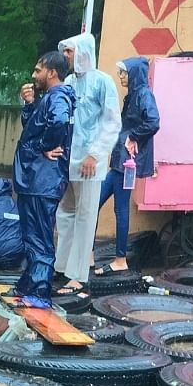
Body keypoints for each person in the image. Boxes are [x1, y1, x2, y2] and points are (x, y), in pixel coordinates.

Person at [54, 33, 120, 295]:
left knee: (85, 216)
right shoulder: (68, 82)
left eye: (69, 51)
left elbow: (112, 121)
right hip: (68, 160)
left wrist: (95, 154)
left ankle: (79, 275)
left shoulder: (103, 82)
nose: (65, 56)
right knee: (65, 213)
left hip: (91, 163)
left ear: (83, 51)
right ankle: (62, 266)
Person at [10, 52, 75, 309]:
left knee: (39, 237)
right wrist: (29, 105)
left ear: (51, 72)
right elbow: (34, 128)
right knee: (31, 235)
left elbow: (58, 122)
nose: (34, 75)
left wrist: (46, 146)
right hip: (34, 180)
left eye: (38, 70)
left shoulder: (58, 96)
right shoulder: (48, 98)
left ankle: (39, 293)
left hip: (43, 181)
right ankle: (28, 284)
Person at [95, 56, 160, 275]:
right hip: (118, 164)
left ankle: (121, 258)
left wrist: (133, 135)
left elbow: (153, 121)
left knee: (120, 210)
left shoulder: (143, 94)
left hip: (127, 163)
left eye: (124, 73)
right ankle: (88, 254)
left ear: (134, 74)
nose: (120, 76)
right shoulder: (133, 95)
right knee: (94, 202)